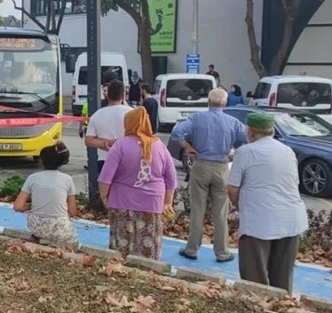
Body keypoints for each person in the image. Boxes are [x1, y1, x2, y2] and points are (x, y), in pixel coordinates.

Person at [228, 113, 308, 293]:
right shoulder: (287, 150)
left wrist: (241, 207)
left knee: (254, 281)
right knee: (282, 280)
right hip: (292, 221)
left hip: (259, 223)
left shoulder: (245, 152)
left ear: (251, 132)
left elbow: (232, 189)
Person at [171, 88, 247, 262]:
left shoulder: (197, 119)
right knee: (220, 212)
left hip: (201, 165)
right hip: (221, 168)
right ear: (226, 103)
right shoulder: (233, 123)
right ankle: (222, 252)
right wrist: (234, 154)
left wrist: (186, 146)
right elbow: (248, 139)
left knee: (197, 209)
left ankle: (191, 249)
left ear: (208, 102)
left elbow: (177, 133)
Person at [98, 107, 177, 260]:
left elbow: (105, 178)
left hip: (121, 202)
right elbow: (171, 177)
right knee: (149, 245)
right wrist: (167, 202)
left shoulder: (120, 145)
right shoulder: (159, 146)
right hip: (152, 204)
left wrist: (105, 197)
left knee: (121, 247)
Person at [13, 141, 78, 246]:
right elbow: (73, 211)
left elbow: (18, 206)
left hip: (36, 228)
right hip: (60, 230)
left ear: (42, 161)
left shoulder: (32, 178)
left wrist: (33, 206)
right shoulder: (67, 179)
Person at [84, 80, 133, 172]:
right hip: (128, 158)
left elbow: (88, 140)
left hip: (104, 159)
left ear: (108, 95)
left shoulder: (97, 115)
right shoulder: (132, 113)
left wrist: (105, 143)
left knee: (105, 185)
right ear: (123, 95)